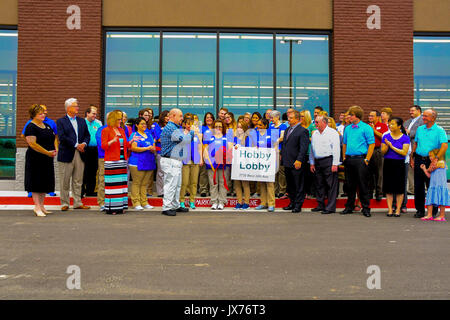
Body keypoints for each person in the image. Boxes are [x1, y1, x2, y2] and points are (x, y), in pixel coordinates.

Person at [411, 109, 448, 218]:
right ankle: (420, 210)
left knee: (432, 185)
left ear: (433, 118)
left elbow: (444, 145)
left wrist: (436, 158)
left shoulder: (439, 130)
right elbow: (416, 144)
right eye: (423, 116)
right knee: (418, 185)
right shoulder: (419, 129)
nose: (423, 118)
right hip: (418, 158)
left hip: (431, 160)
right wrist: (412, 157)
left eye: (426, 116)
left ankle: (434, 211)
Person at [57, 98, 91, 211]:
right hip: (67, 153)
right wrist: (76, 145)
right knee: (65, 180)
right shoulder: (61, 121)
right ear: (68, 108)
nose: (78, 108)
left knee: (78, 180)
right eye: (75, 106)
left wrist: (84, 144)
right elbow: (62, 137)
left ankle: (77, 202)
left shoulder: (81, 121)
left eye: (77, 105)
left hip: (80, 153)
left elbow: (87, 135)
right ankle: (64, 203)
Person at [341, 105, 375, 217]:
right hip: (349, 159)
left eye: (351, 114)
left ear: (356, 116)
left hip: (361, 159)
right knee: (350, 184)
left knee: (363, 184)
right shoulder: (347, 128)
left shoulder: (366, 128)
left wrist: (367, 159)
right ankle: (349, 206)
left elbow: (372, 144)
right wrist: (344, 157)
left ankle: (366, 208)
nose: (349, 116)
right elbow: (344, 143)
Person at [24, 104, 57, 217]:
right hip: (35, 158)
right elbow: (32, 144)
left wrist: (54, 150)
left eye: (44, 113)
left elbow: (54, 138)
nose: (43, 115)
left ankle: (42, 206)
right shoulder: (31, 127)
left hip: (47, 158)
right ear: (34, 115)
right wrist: (47, 152)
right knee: (36, 182)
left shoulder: (47, 125)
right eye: (40, 113)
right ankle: (37, 206)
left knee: (45, 182)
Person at [160, 108, 192, 216]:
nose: (182, 118)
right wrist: (192, 131)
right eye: (180, 116)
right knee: (171, 185)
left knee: (177, 185)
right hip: (170, 160)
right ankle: (167, 207)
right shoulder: (170, 128)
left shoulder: (175, 127)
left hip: (175, 160)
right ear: (173, 116)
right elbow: (184, 139)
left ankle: (175, 205)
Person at [101, 110, 134, 215]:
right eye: (119, 119)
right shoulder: (106, 130)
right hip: (111, 161)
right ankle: (112, 208)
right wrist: (112, 141)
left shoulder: (121, 130)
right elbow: (104, 146)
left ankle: (121, 206)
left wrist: (131, 142)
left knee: (121, 184)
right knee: (113, 185)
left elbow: (125, 144)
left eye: (121, 119)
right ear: (113, 119)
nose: (121, 121)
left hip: (122, 160)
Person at [309, 115, 341, 214]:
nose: (315, 124)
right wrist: (312, 162)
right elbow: (312, 149)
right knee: (319, 184)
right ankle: (320, 205)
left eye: (317, 122)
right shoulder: (315, 134)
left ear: (324, 122)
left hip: (329, 160)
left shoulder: (332, 133)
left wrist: (335, 163)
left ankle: (330, 207)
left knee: (330, 185)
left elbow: (336, 149)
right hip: (318, 161)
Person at [281, 110, 310, 213]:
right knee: (290, 185)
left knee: (298, 184)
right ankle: (292, 202)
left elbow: (303, 148)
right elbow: (285, 144)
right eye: (288, 117)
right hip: (287, 161)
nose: (289, 119)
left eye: (291, 118)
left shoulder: (303, 131)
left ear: (297, 119)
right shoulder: (287, 129)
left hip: (296, 162)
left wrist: (299, 160)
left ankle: (298, 205)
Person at [381, 117, 410, 217]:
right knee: (388, 187)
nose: (390, 125)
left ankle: (398, 209)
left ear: (399, 126)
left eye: (393, 124)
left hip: (399, 163)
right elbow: (383, 151)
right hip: (388, 162)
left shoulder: (405, 138)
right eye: (389, 124)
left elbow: (404, 152)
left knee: (399, 188)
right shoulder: (386, 136)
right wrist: (386, 146)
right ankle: (389, 209)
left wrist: (392, 146)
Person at [129, 117, 156, 211]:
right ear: (136, 125)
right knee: (137, 183)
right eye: (142, 124)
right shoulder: (134, 135)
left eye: (145, 124)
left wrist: (152, 149)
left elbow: (153, 147)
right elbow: (133, 148)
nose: (144, 125)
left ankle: (144, 202)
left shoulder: (149, 134)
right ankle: (136, 202)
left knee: (144, 183)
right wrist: (147, 148)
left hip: (148, 161)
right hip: (137, 162)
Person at [204, 119, 232, 210]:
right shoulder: (210, 137)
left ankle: (222, 202)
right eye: (216, 126)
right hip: (212, 164)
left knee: (223, 183)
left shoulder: (226, 137)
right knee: (213, 183)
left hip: (224, 164)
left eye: (220, 126)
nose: (218, 128)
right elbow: (205, 149)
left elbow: (230, 149)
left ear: (223, 127)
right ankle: (214, 201)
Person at [251, 118, 277, 212]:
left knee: (269, 183)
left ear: (266, 126)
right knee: (261, 183)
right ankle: (263, 203)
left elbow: (276, 145)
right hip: (259, 162)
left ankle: (271, 204)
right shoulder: (256, 134)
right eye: (257, 125)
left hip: (269, 162)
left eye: (260, 125)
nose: (258, 126)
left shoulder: (271, 134)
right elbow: (252, 146)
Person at [179, 117, 203, 210]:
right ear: (184, 124)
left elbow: (200, 147)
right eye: (188, 124)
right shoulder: (181, 133)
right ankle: (181, 200)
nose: (190, 126)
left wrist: (201, 159)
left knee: (194, 182)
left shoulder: (198, 134)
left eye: (191, 124)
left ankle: (192, 201)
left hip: (195, 160)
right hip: (185, 160)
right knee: (184, 182)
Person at [420, 149, 449, 221]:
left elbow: (431, 169)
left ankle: (442, 216)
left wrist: (428, 168)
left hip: (441, 185)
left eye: (431, 156)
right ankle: (429, 215)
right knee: (430, 199)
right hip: (433, 185)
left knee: (442, 200)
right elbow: (429, 175)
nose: (430, 158)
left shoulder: (441, 162)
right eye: (429, 156)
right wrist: (424, 169)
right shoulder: (432, 164)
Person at [367, 110, 389, 201]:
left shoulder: (383, 126)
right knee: (369, 173)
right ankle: (370, 192)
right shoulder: (367, 126)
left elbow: (384, 137)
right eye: (369, 116)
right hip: (369, 150)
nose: (370, 117)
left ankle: (379, 192)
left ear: (377, 117)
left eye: (372, 116)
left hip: (378, 150)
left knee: (379, 172)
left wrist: (374, 130)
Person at [82, 105, 102, 197]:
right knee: (83, 170)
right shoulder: (82, 123)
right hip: (84, 150)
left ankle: (90, 191)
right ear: (87, 113)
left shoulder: (98, 123)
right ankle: (82, 191)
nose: (95, 115)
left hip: (95, 150)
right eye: (93, 113)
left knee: (93, 171)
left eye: (96, 114)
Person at [404, 105, 424, 195]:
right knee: (410, 171)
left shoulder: (423, 121)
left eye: (412, 110)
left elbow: (421, 133)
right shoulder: (407, 122)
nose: (410, 112)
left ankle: (422, 189)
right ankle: (412, 189)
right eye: (410, 111)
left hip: (417, 149)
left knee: (420, 170)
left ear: (418, 111)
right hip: (407, 149)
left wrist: (409, 132)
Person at [269, 110, 288, 198]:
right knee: (273, 171)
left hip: (279, 150)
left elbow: (282, 138)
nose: (271, 119)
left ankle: (282, 190)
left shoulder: (283, 126)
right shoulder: (270, 126)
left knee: (281, 171)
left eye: (272, 118)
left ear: (277, 117)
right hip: (271, 150)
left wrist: (274, 141)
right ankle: (275, 189)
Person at [233, 120, 251, 210]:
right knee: (237, 184)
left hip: (244, 163)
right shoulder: (235, 138)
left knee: (245, 183)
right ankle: (239, 201)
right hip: (236, 163)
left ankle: (247, 202)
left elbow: (249, 150)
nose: (239, 129)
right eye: (238, 127)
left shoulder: (247, 138)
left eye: (241, 127)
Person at [151, 110, 169, 197]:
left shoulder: (171, 126)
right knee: (161, 172)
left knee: (168, 173)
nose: (168, 118)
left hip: (169, 152)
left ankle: (167, 191)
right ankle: (160, 191)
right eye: (166, 116)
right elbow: (159, 139)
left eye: (169, 116)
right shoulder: (157, 125)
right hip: (160, 152)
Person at [199, 112, 215, 197]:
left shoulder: (216, 128)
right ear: (205, 119)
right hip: (204, 151)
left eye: (211, 117)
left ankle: (212, 189)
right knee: (204, 173)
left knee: (212, 172)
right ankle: (203, 190)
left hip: (214, 154)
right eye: (207, 117)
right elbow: (200, 142)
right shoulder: (202, 128)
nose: (209, 119)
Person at [95, 117, 108, 212]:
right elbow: (101, 144)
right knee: (103, 179)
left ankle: (112, 201)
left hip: (117, 158)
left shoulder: (120, 130)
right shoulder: (102, 129)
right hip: (104, 157)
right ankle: (102, 202)